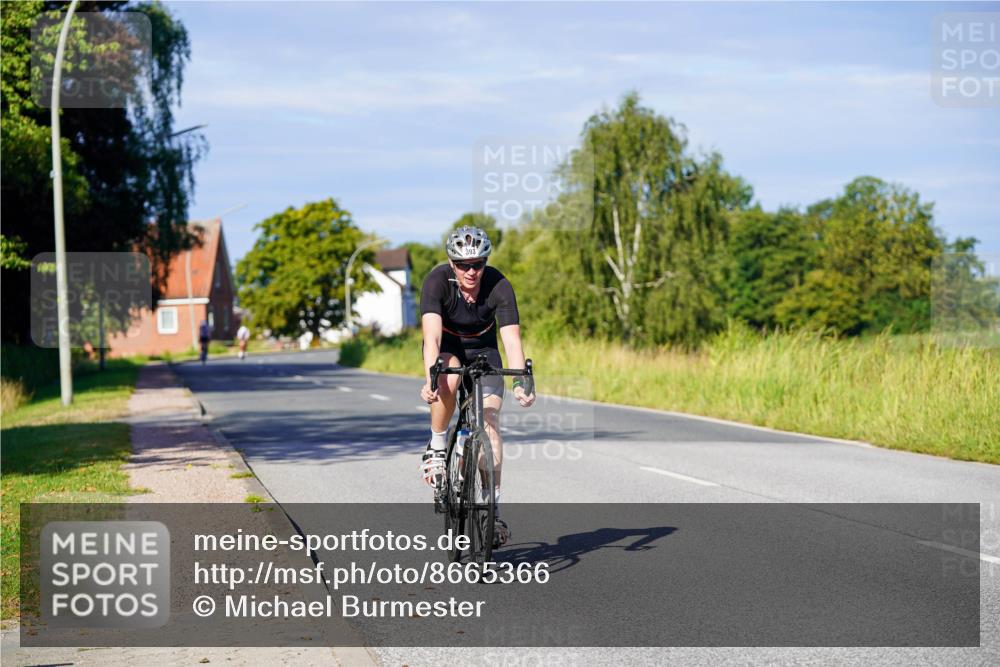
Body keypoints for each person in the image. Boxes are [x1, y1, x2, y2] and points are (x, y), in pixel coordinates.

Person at [419, 225, 535, 548]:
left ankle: (492, 509)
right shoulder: (436, 282)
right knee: (449, 374)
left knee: (490, 421)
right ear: (452, 264)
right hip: (449, 350)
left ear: (485, 262)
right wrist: (431, 375)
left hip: (485, 352)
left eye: (478, 264)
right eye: (464, 265)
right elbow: (432, 338)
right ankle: (438, 446)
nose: (472, 271)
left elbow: (512, 339)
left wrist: (522, 381)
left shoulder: (499, 285)